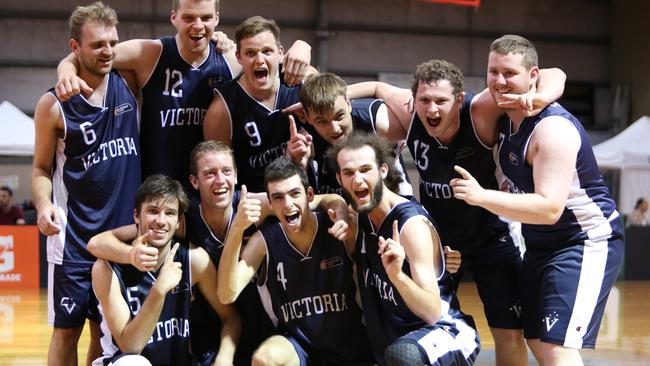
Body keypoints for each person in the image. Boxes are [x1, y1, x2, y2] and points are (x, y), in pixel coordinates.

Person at [344, 59, 566, 366]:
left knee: (509, 333)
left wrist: (540, 96)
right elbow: (377, 87)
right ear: (414, 100)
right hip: (444, 242)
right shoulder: (413, 116)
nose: (431, 109)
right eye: (424, 100)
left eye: (440, 101)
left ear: (458, 100)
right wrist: (340, 94)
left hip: (493, 238)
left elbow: (555, 73)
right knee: (425, 323)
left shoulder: (479, 111)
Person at [450, 34, 624, 366]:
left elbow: (549, 208)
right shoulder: (502, 119)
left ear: (532, 76)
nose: (500, 81)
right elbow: (554, 74)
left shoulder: (552, 129)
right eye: (493, 72)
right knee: (535, 339)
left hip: (584, 241)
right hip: (540, 245)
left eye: (510, 73)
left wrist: (481, 197)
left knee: (558, 346)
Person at [56, 0, 312, 193]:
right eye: (189, 17)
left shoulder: (231, 59)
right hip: (159, 195)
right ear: (174, 17)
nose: (198, 25)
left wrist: (303, 46)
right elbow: (97, 53)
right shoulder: (151, 53)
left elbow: (277, 63)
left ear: (216, 19)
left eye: (205, 17)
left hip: (212, 194)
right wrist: (66, 69)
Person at [31, 2, 142, 365]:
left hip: (121, 236)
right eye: (97, 44)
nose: (108, 50)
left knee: (104, 331)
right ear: (75, 47)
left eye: (113, 42)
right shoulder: (53, 105)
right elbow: (40, 169)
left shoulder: (128, 81)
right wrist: (44, 205)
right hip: (74, 241)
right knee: (66, 331)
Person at [328, 132, 480, 365]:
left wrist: (397, 276)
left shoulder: (410, 224)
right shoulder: (359, 219)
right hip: (397, 342)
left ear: (383, 171)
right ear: (339, 179)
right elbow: (320, 200)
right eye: (348, 172)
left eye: (365, 169)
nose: (357, 180)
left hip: (445, 332)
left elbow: (432, 311)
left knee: (404, 356)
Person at [218, 157, 375, 366]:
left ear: (310, 195)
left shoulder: (338, 224)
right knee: (264, 359)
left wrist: (337, 203)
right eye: (278, 198)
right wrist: (237, 228)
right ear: (271, 205)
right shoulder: (264, 241)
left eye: (294, 194)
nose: (288, 204)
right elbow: (227, 294)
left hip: (353, 348)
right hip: (300, 348)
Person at [91, 174, 240, 366]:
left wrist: (224, 358)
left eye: (169, 213)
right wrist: (160, 289)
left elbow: (231, 317)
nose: (161, 221)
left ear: (178, 221)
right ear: (137, 215)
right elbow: (130, 346)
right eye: (153, 211)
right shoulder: (107, 268)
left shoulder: (193, 259)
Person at [203, 16, 317, 192]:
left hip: (302, 195)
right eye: (250, 53)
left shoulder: (302, 81)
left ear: (280, 53)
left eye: (267, 51)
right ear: (238, 57)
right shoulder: (221, 110)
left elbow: (332, 126)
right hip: (256, 205)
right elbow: (220, 175)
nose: (259, 60)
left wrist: (304, 45)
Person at [291, 72, 413, 196]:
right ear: (307, 117)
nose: (334, 128)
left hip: (392, 205)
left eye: (339, 116)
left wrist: (402, 137)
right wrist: (299, 163)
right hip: (335, 210)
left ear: (349, 104)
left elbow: (418, 119)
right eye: (322, 122)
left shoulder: (376, 119)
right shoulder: (304, 136)